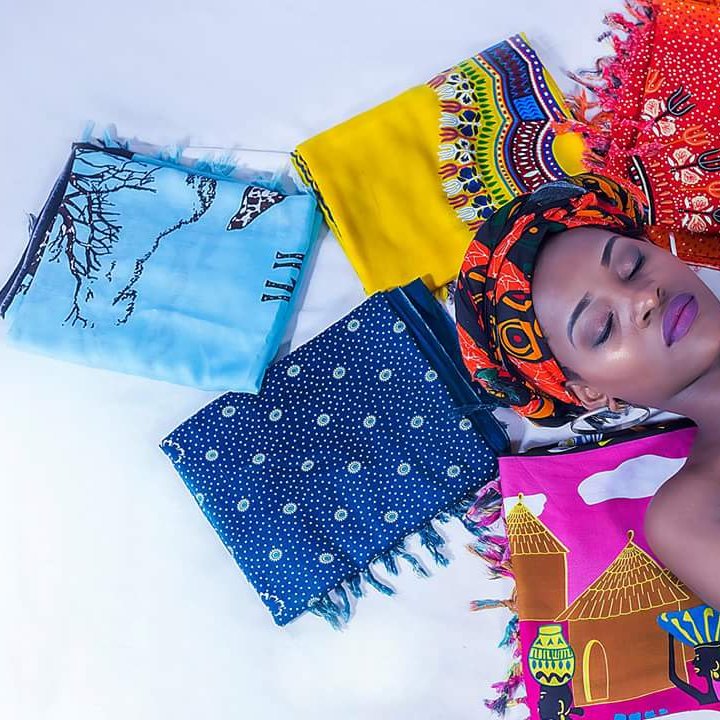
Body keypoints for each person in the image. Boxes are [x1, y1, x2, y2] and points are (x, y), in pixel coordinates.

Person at [455, 173, 720, 609]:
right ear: (592, 393)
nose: (645, 299)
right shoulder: (691, 516)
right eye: (602, 328)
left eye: (632, 265)